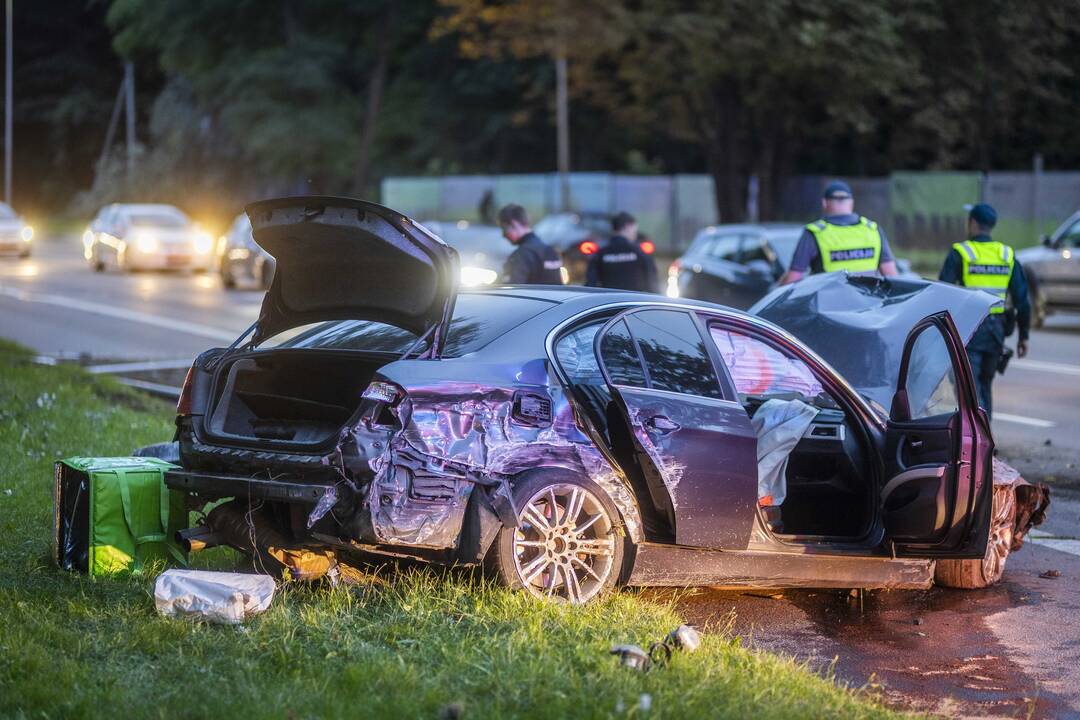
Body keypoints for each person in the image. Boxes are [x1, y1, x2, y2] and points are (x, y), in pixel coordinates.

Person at [938, 203, 1030, 418]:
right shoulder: (1006, 254)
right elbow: (1022, 300)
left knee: (968, 387)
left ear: (972, 223)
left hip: (970, 327)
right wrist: (1023, 336)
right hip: (996, 329)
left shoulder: (961, 252)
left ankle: (978, 440)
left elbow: (942, 293)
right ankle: (985, 439)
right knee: (985, 384)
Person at [778, 180, 898, 285]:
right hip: (870, 306)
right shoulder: (872, 229)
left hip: (829, 307)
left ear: (824, 203)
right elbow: (891, 277)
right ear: (851, 202)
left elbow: (793, 278)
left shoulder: (815, 232)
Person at [585, 212, 658, 292]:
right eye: (634, 230)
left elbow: (591, 285)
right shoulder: (639, 253)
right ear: (628, 226)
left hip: (611, 302)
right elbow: (652, 284)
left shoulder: (600, 254)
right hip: (635, 302)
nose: (635, 234)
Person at [496, 204, 565, 284]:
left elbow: (511, 291)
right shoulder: (550, 251)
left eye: (504, 229)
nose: (503, 235)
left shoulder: (521, 256)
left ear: (514, 224)